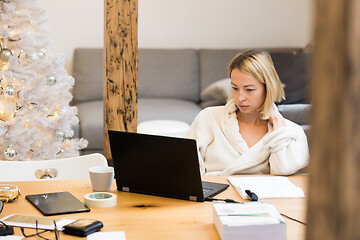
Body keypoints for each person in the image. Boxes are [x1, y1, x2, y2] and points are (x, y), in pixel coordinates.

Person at [186, 49, 309, 176]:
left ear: (268, 88)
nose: (240, 98)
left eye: (249, 89)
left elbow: (284, 172)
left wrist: (279, 133)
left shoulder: (291, 133)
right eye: (235, 88)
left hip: (261, 196)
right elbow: (186, 170)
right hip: (213, 194)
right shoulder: (208, 118)